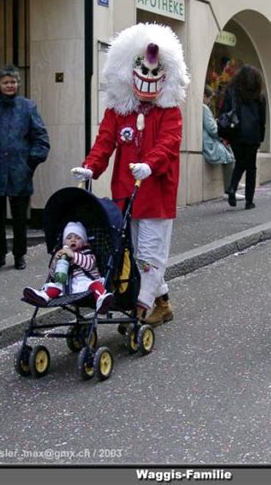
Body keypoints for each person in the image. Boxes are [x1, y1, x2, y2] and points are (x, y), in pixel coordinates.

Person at [71, 23, 190, 328]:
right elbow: (105, 142)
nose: (148, 79)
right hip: (126, 193)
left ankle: (141, 308)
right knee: (132, 253)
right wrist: (90, 167)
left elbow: (169, 143)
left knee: (149, 254)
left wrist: (150, 164)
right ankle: (162, 302)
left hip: (156, 195)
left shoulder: (169, 112)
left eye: (155, 74)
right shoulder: (118, 110)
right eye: (143, 72)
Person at [0, 65, 50, 271]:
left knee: (19, 218)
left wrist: (30, 162)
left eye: (13, 82)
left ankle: (19, 255)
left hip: (20, 171)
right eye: (6, 82)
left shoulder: (27, 107)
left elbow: (41, 139)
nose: (10, 85)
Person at [22, 221, 114, 314]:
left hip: (86, 283)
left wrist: (73, 255)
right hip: (67, 285)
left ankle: (101, 300)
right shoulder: (62, 255)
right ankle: (43, 296)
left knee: (96, 285)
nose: (73, 240)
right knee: (56, 285)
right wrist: (55, 261)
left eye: (78, 238)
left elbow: (89, 265)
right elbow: (53, 275)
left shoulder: (88, 253)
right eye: (69, 238)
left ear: (84, 242)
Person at [220, 65, 266, 210]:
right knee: (251, 167)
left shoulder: (231, 92)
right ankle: (249, 201)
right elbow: (262, 118)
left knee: (240, 162)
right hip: (253, 135)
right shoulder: (259, 95)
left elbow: (224, 111)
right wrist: (261, 138)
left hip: (236, 133)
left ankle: (232, 188)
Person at [202, 85, 244, 200]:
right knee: (229, 157)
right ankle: (228, 189)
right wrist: (221, 131)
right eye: (209, 98)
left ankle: (232, 183)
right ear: (205, 96)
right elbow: (212, 129)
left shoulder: (203, 107)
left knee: (230, 154)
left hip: (208, 140)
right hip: (209, 141)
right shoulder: (204, 108)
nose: (210, 101)